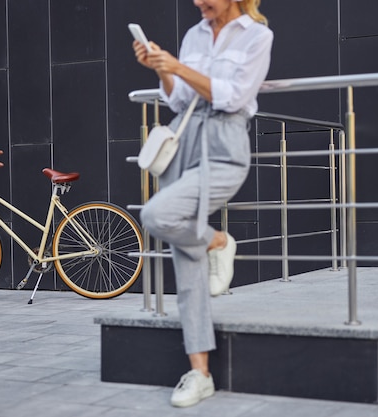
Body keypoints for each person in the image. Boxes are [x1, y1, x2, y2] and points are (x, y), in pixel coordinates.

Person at [132, 0, 273, 408]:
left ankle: (217, 241)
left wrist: (176, 67)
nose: (198, 2)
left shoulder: (257, 36)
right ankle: (200, 373)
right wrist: (160, 66)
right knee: (185, 264)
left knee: (157, 214)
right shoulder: (195, 34)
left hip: (226, 145)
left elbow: (233, 96)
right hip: (184, 139)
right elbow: (177, 102)